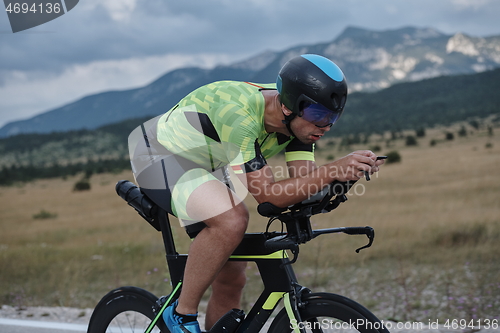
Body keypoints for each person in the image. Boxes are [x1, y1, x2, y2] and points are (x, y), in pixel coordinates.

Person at [129, 54, 385, 333]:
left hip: (210, 159)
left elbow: (303, 184)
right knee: (231, 220)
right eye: (318, 115)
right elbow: (269, 196)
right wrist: (332, 169)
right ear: (288, 107)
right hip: (158, 155)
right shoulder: (240, 116)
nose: (325, 126)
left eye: (333, 117)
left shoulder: (301, 126)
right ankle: (180, 314)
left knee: (232, 279)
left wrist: (344, 176)